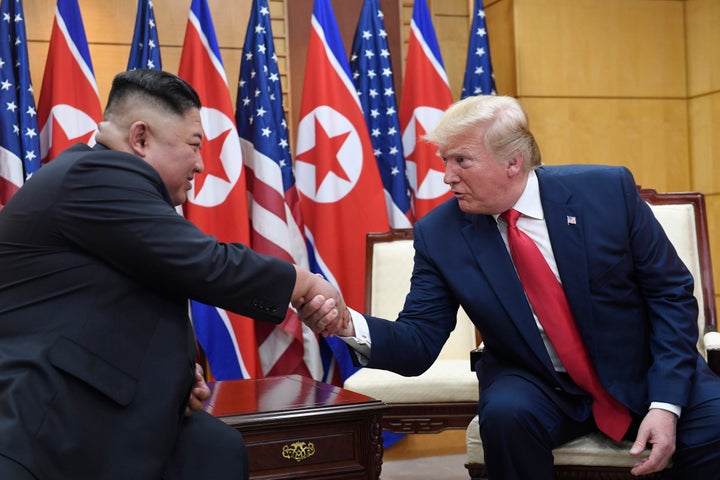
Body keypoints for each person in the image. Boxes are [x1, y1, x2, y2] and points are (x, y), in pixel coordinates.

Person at [300, 95, 720, 479]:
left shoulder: (606, 192)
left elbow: (671, 296)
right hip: (537, 380)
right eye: (445, 160)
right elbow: (418, 341)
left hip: (639, 366)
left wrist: (665, 404)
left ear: (513, 162)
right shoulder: (440, 234)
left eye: (461, 161)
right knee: (505, 416)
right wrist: (346, 323)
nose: (447, 177)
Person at [0, 69, 344, 480]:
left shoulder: (100, 178)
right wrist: (303, 284)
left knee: (215, 449)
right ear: (140, 138)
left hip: (112, 407)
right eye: (194, 145)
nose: (201, 164)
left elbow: (113, 302)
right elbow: (205, 263)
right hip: (52, 421)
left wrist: (176, 377)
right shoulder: (93, 176)